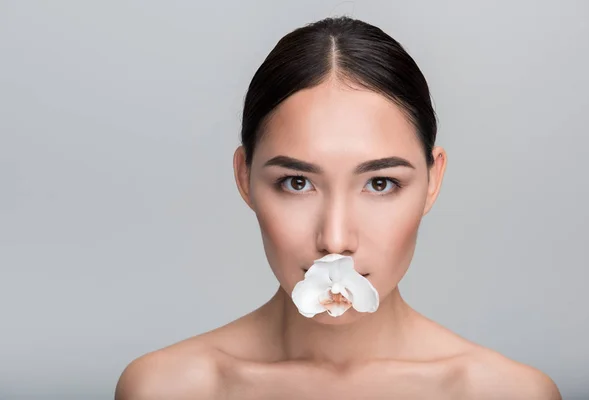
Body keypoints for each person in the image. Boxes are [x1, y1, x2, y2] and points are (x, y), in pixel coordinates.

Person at [115, 16, 561, 399]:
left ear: (433, 181)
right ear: (244, 178)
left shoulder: (507, 393)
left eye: (380, 183)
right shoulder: (168, 388)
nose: (335, 240)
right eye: (297, 183)